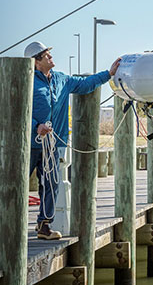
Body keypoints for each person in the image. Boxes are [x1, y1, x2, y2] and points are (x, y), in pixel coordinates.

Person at [25, 41, 120, 240]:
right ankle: (10, 226)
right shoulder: (26, 81)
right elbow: (17, 109)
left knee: (52, 183)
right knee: (17, 183)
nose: (51, 57)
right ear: (36, 62)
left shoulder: (62, 79)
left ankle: (44, 225)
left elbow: (85, 85)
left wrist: (108, 74)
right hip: (29, 143)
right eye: (46, 55)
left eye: (49, 54)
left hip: (52, 144)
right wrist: (36, 125)